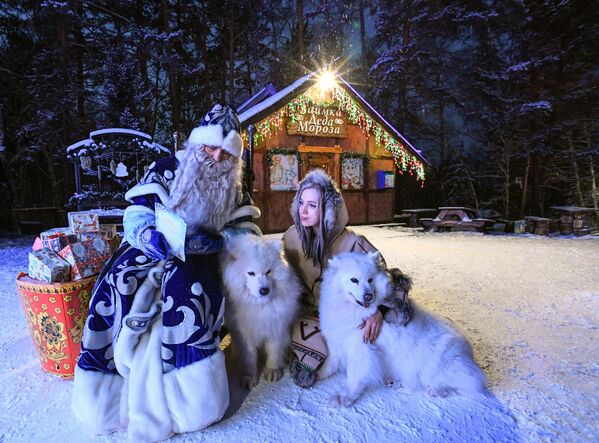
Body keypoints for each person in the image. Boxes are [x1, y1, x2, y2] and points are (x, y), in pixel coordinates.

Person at [72, 104, 261, 441]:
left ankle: (189, 401)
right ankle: (105, 392)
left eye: (226, 153)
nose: (217, 157)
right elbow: (135, 214)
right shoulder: (165, 169)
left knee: (189, 294)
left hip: (203, 259)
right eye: (209, 147)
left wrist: (220, 242)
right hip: (151, 250)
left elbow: (247, 235)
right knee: (117, 282)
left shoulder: (236, 188)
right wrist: (146, 234)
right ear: (195, 143)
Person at [282, 169, 412, 387]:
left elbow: (387, 280)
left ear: (328, 210)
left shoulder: (353, 243)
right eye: (301, 202)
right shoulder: (291, 237)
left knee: (386, 338)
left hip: (350, 314)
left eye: (312, 205)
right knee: (315, 352)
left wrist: (380, 311)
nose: (303, 210)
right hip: (309, 314)